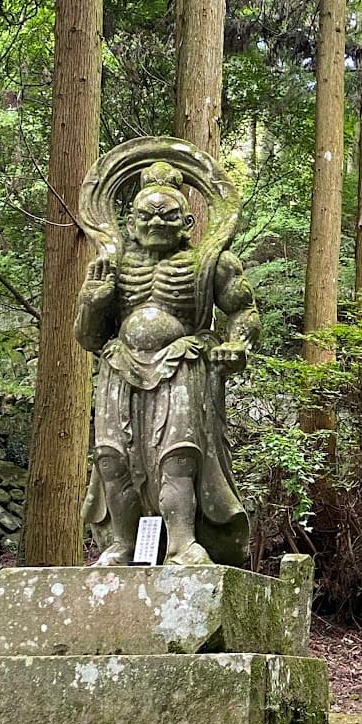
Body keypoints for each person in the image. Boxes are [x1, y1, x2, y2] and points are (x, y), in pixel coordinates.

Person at [75, 160, 259, 566]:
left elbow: (243, 310)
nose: (156, 222)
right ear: (130, 220)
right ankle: (122, 544)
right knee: (112, 457)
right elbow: (88, 337)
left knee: (178, 455)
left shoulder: (211, 262)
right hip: (120, 365)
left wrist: (237, 344)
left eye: (168, 215)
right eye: (146, 215)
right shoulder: (112, 264)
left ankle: (182, 541)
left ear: (188, 221)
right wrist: (95, 299)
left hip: (180, 362)